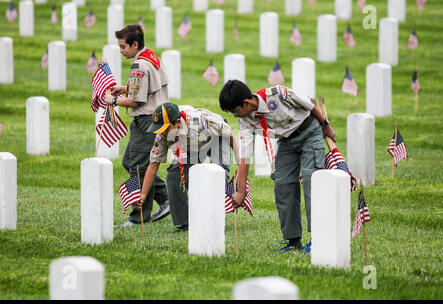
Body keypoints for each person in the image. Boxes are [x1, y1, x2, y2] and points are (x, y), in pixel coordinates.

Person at [218, 80, 336, 251]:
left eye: (236, 111)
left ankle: (318, 239)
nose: (236, 116)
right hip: (287, 142)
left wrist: (326, 125)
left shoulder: (278, 94)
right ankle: (293, 241)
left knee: (312, 180)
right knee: (283, 184)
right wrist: (241, 191)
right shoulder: (246, 120)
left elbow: (309, 104)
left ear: (246, 102)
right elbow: (244, 156)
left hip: (309, 131)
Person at [136, 103, 239, 232]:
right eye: (159, 129)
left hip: (216, 138)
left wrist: (240, 163)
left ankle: (213, 221)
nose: (162, 132)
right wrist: (143, 194)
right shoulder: (162, 135)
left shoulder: (199, 121)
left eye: (166, 128)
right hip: (190, 145)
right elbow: (153, 165)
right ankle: (185, 223)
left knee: (218, 175)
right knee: (174, 176)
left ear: (178, 122)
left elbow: (228, 134)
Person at [104, 24, 170, 226]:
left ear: (134, 44)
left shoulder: (139, 66)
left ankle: (138, 217)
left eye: (123, 47)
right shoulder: (150, 56)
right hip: (155, 117)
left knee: (139, 168)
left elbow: (136, 101)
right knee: (129, 162)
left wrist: (112, 101)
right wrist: (125, 88)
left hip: (147, 120)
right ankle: (167, 197)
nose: (121, 50)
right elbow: (147, 89)